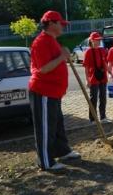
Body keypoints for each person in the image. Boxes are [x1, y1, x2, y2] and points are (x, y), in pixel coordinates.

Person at [29, 10, 80, 171]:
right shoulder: (41, 42)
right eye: (60, 23)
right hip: (43, 91)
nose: (63, 26)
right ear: (51, 23)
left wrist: (63, 55)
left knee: (57, 124)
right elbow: (43, 69)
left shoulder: (52, 41)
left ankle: (62, 151)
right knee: (45, 128)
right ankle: (45, 161)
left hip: (54, 93)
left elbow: (57, 64)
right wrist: (62, 57)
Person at [83, 32, 112, 124]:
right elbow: (86, 67)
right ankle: (93, 118)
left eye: (99, 40)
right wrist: (87, 79)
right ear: (91, 41)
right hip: (93, 77)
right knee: (93, 98)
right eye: (97, 40)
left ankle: (103, 117)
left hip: (103, 76)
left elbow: (105, 63)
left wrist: (110, 73)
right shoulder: (88, 52)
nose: (99, 41)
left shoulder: (102, 50)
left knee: (103, 97)